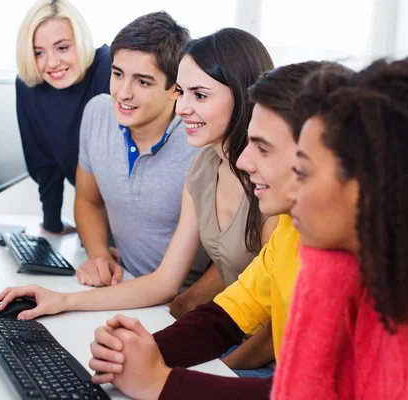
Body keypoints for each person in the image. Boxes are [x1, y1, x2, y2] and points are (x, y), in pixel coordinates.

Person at [0, 28, 278, 373]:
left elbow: (278, 328)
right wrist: (63, 301)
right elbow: (163, 281)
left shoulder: (272, 185)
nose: (182, 108)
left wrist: (210, 368)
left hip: (267, 358)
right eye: (182, 93)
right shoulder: (202, 165)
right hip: (226, 336)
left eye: (199, 96)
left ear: (245, 96)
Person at [86, 61, 347, 399]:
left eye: (263, 148)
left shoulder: (357, 268)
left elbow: (311, 393)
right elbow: (228, 314)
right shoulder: (291, 227)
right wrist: (138, 351)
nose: (244, 161)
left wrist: (159, 383)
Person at [271, 57, 408, 399]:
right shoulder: (375, 281)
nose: (289, 191)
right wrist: (326, 268)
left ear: (371, 187)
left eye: (302, 173)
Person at [15, 0, 111, 234]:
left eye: (63, 48)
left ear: (80, 41)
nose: (52, 63)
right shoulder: (29, 87)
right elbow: (44, 164)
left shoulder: (109, 68)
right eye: (39, 52)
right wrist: (52, 223)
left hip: (136, 218)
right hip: (92, 219)